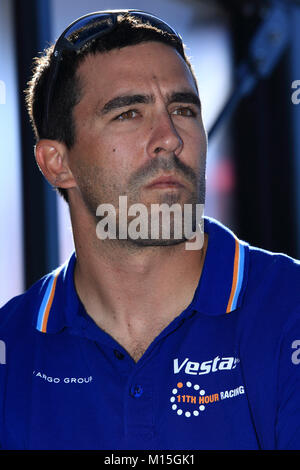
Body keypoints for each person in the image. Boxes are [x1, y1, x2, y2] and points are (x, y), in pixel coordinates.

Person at [0, 9, 300, 451]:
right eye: (128, 113)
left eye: (183, 109)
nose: (170, 137)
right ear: (56, 163)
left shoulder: (289, 309)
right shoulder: (13, 348)